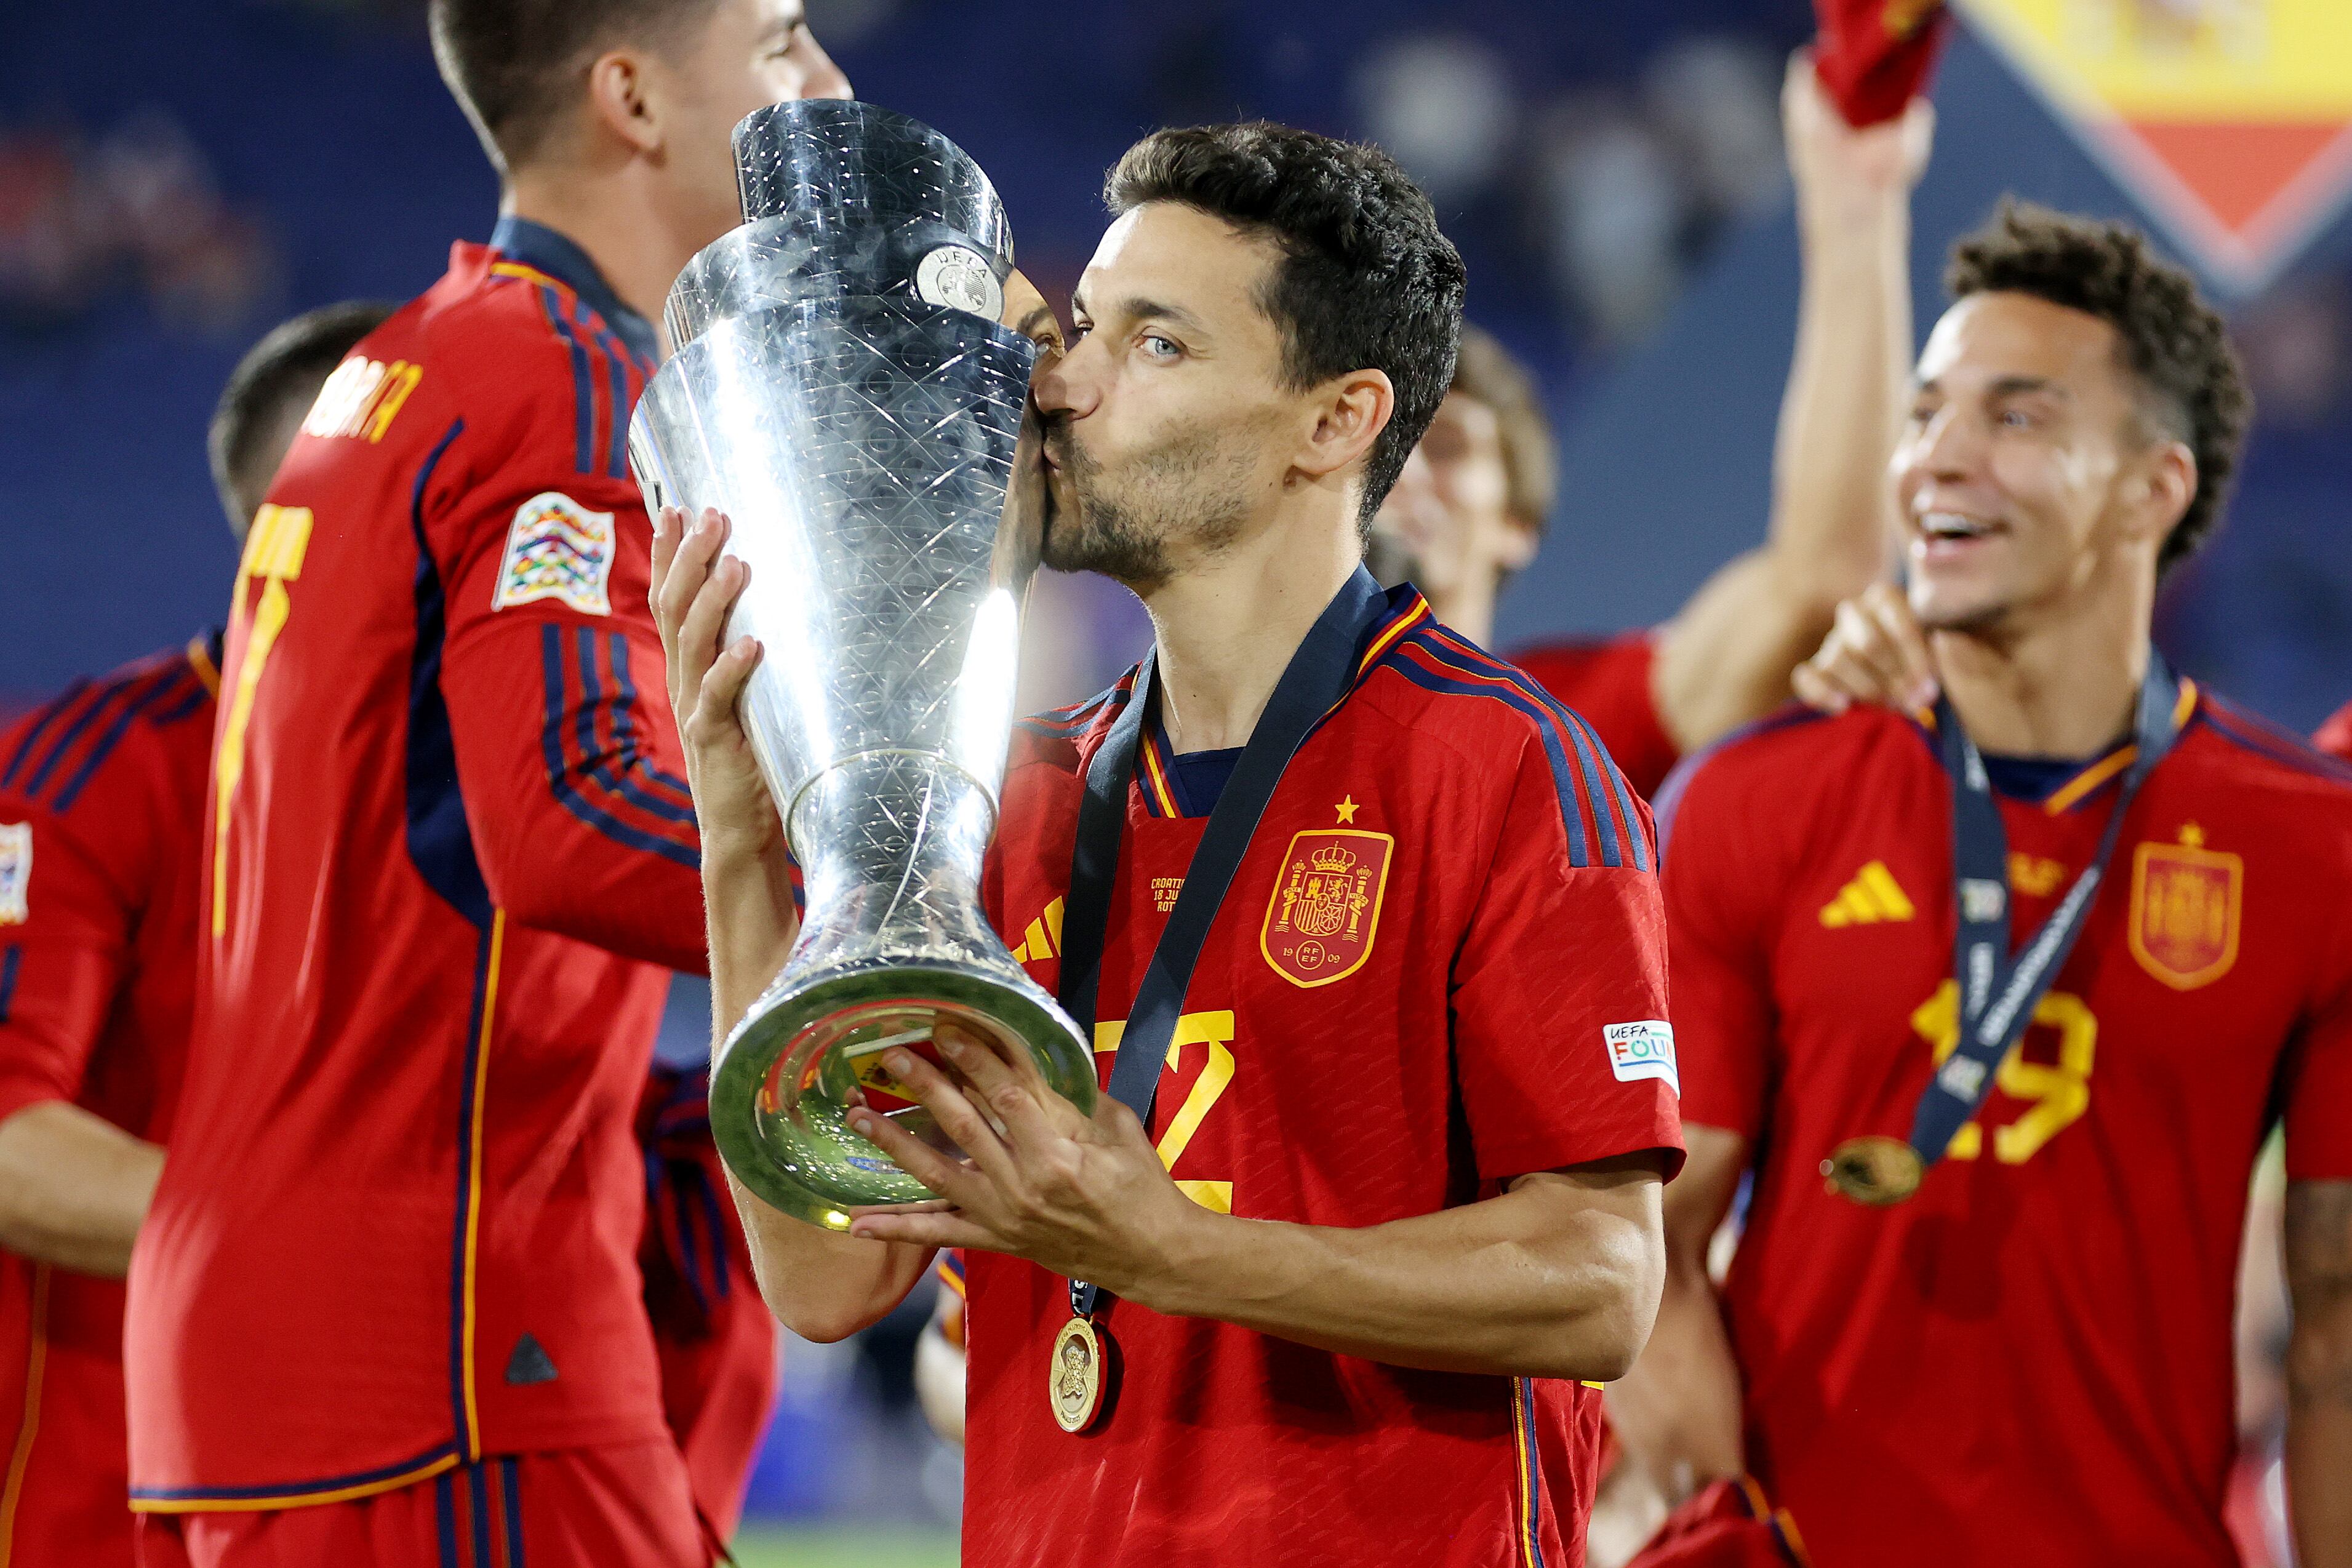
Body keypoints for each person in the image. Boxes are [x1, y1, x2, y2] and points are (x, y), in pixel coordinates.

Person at [655, 119, 1686, 1568]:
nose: (1062, 383)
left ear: (1334, 424)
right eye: (1083, 327)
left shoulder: (1504, 767)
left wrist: (1176, 1257)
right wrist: (740, 845)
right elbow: (827, 1273)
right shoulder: (1010, 800)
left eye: (1157, 346)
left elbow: (1600, 1283)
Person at [122, 3, 851, 1564]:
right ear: (634, 97)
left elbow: (433, 846)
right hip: (447, 1334)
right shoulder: (563, 374)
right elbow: (569, 818)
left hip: (288, 1330)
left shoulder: (391, 368)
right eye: (783, 40)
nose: (829, 85)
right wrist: (914, 905)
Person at [1612, 201, 2352, 1567]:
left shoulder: (2311, 847)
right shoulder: (1747, 803)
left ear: (2153, 487)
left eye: (2016, 417)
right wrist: (1734, 1527)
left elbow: (2335, 1313)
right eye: (1925, 412)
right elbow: (1640, 1253)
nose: (1939, 457)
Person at [0, 302, 391, 1568]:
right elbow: (9, 1142)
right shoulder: (86, 777)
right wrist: (340, 1242)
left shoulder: (486, 803)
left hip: (377, 1479)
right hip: (97, 1512)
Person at [1367, 57, 1924, 798]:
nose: (1403, 474)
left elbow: (1823, 581)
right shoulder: (1194, 728)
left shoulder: (1572, 723)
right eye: (1378, 442)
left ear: (1518, 525)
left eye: (1444, 447)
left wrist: (1854, 206)